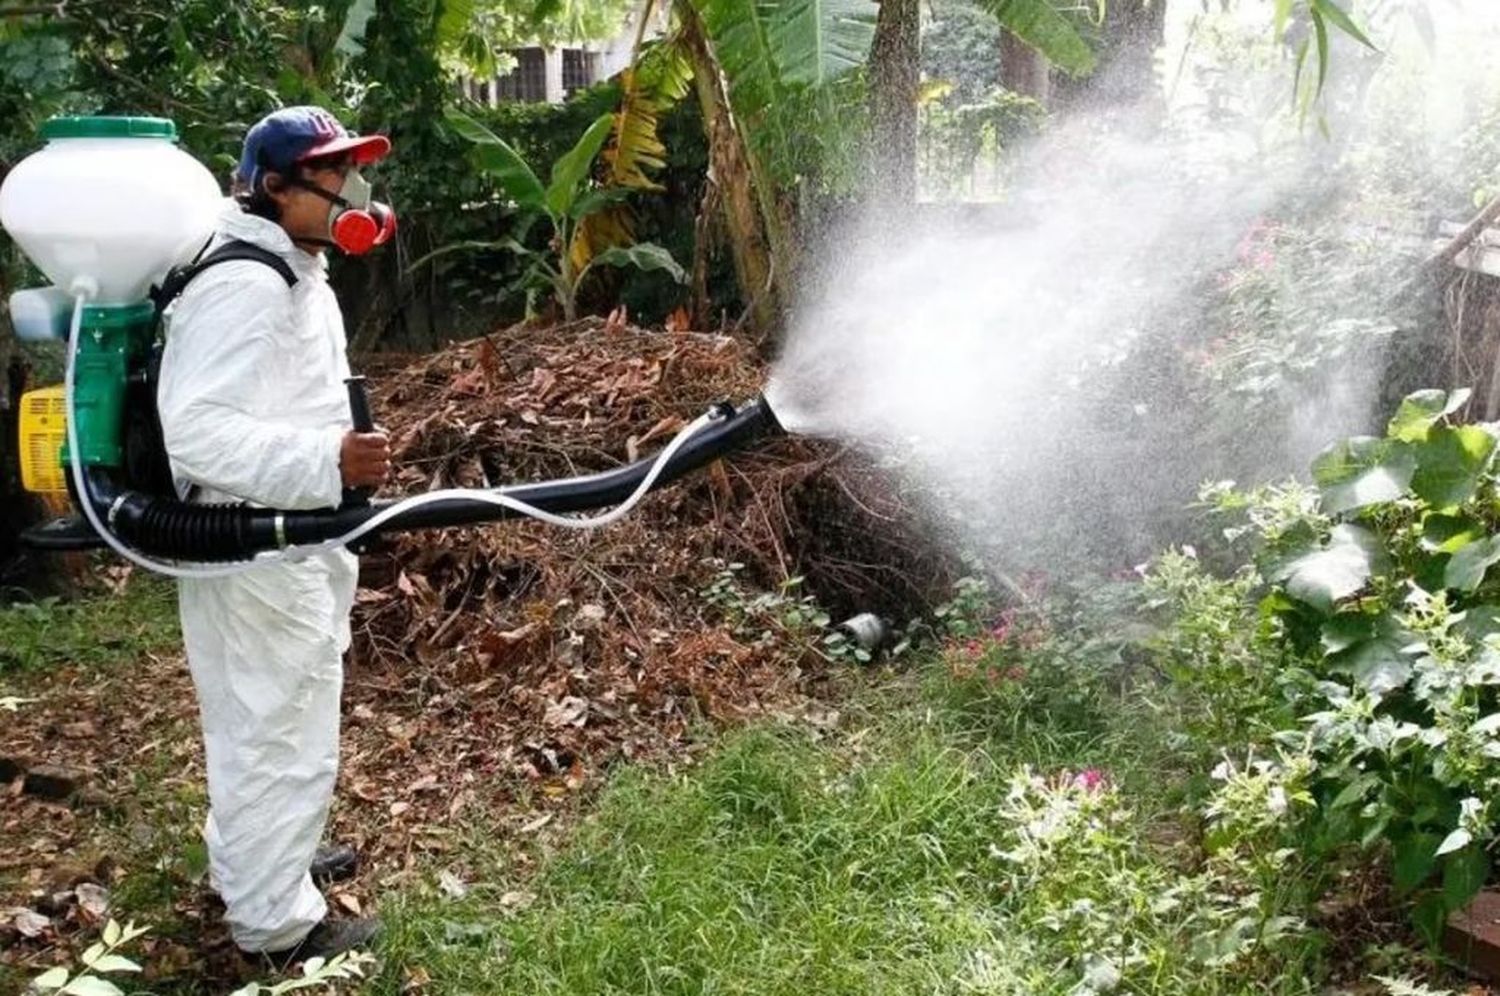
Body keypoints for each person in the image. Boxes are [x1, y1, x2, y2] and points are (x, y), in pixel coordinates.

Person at [155, 106, 395, 965]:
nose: (350, 192)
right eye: (332, 175)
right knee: (280, 724)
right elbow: (198, 431)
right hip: (256, 543)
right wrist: (327, 455)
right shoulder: (245, 283)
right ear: (275, 187)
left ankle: (265, 862)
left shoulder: (288, 262)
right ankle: (276, 925)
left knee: (261, 715)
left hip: (282, 537)